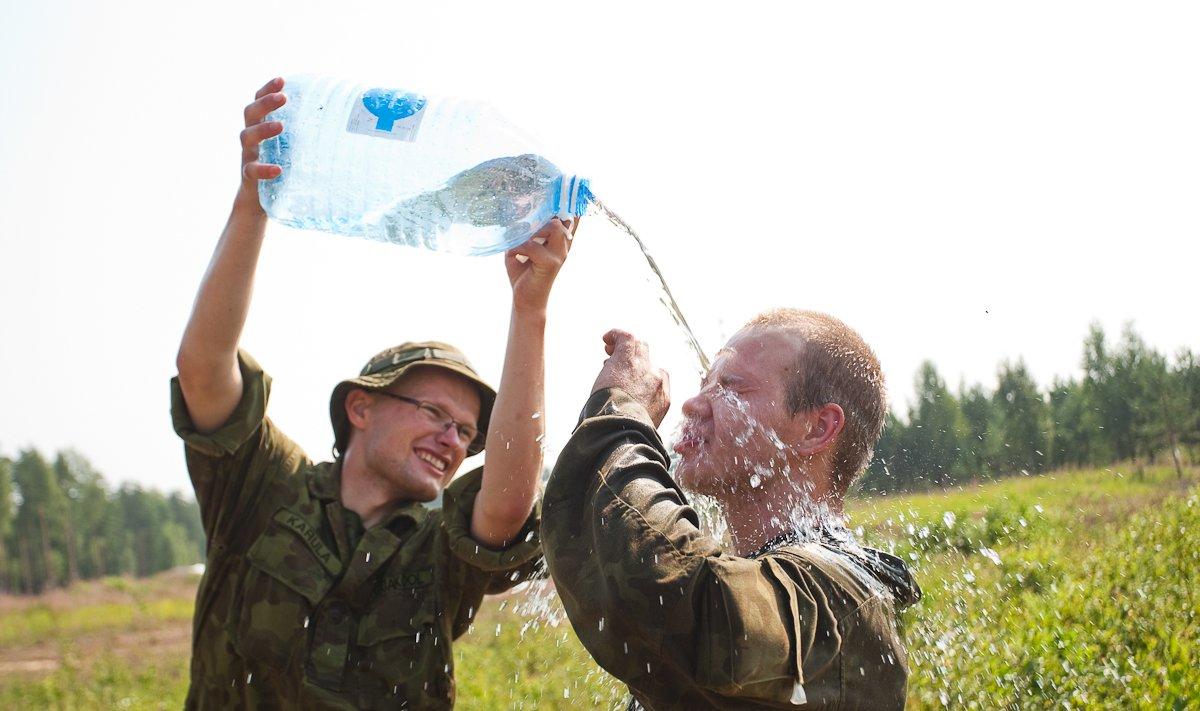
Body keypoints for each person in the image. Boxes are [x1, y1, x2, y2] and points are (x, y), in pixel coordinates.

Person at [172, 77, 574, 709]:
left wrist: (530, 310)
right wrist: (254, 201)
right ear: (361, 407)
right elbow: (203, 366)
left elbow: (505, 509)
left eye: (467, 432)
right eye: (437, 413)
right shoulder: (264, 489)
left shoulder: (437, 550)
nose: (454, 439)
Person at [542, 310, 922, 710]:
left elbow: (675, 593)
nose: (691, 404)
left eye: (731, 387)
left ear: (817, 428)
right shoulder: (766, 570)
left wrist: (620, 417)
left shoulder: (837, 593)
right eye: (706, 383)